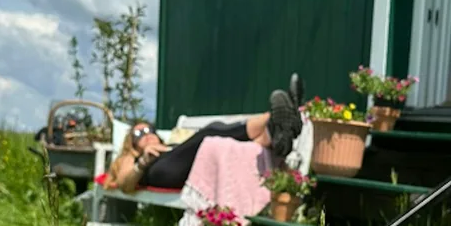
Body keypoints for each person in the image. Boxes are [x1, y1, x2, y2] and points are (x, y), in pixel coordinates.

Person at [107, 78, 304, 195]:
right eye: (139, 134)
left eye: (150, 129)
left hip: (180, 160)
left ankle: (272, 133)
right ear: (131, 143)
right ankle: (275, 117)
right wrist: (142, 161)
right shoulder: (131, 158)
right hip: (160, 171)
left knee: (221, 137)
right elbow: (124, 185)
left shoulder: (169, 146)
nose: (147, 134)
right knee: (208, 135)